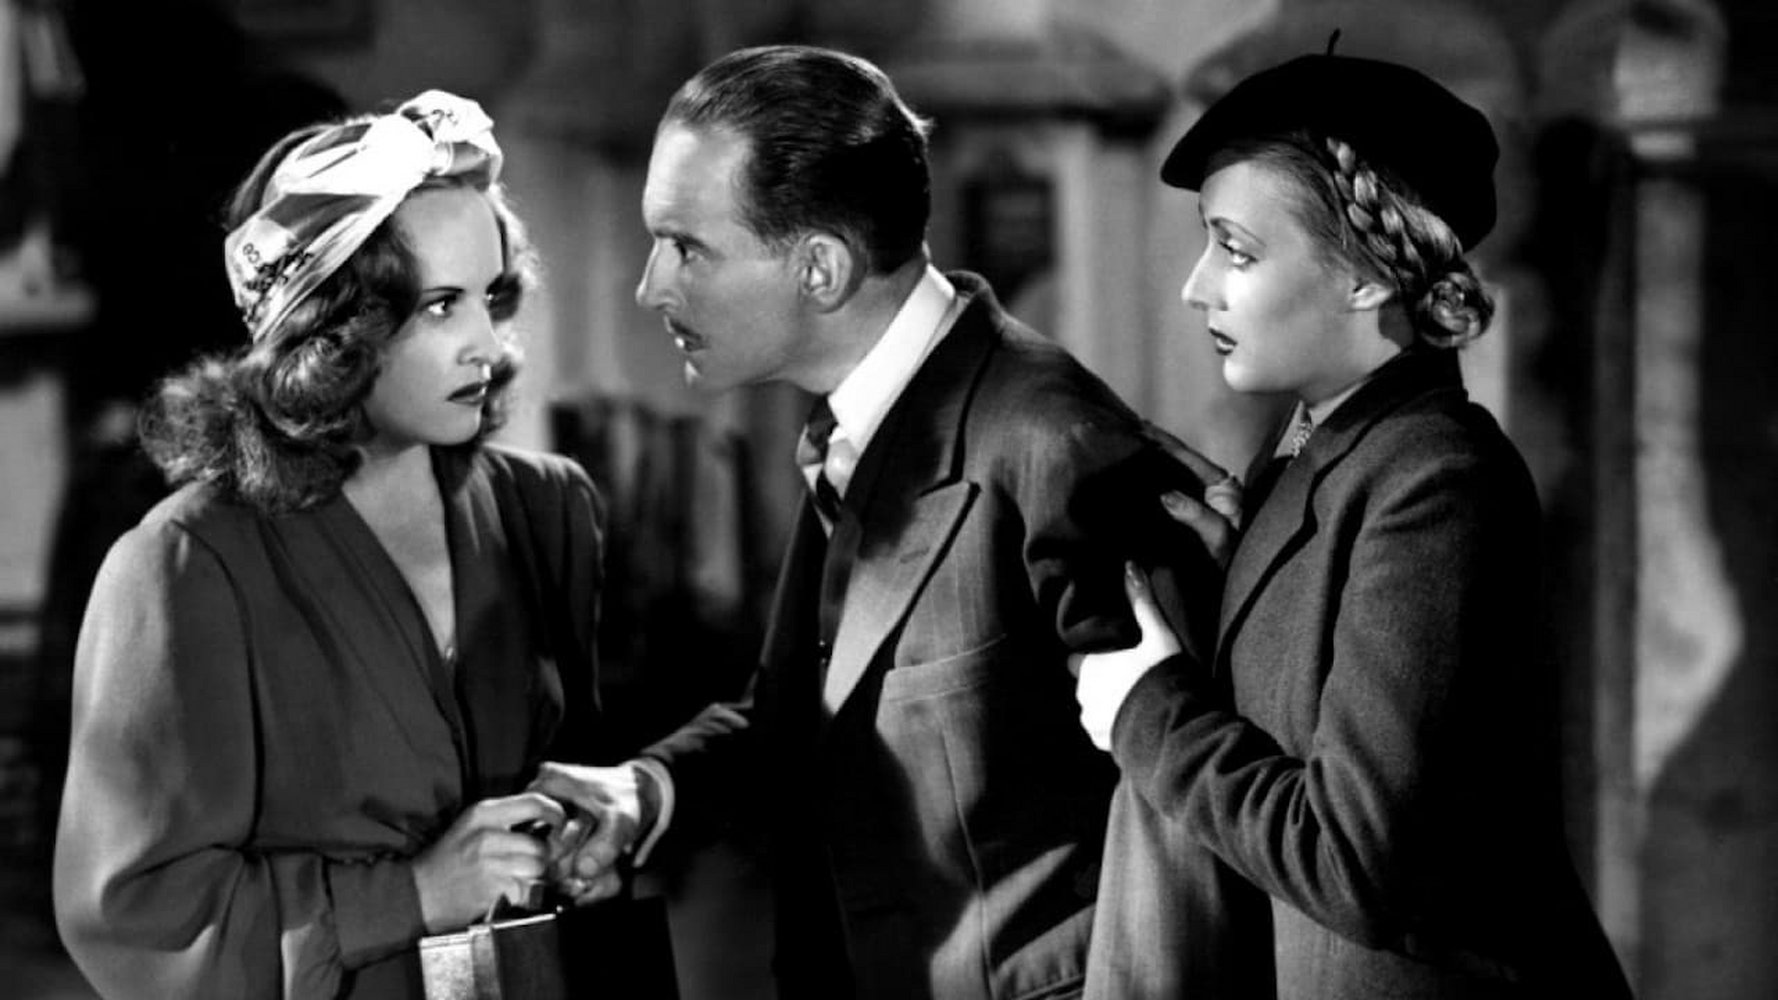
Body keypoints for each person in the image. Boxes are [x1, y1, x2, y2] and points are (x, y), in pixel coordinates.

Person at [530, 44, 1216, 1000]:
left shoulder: (1060, 450)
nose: (651, 286)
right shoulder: (856, 427)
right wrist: (648, 791)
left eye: (686, 247)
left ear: (819, 268)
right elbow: (809, 715)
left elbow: (1187, 833)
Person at [1072, 52, 1634, 998]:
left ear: (1367, 275)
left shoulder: (1438, 481)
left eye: (1237, 251)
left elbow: (1353, 862)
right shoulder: (1320, 452)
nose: (1198, 288)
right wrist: (1237, 581)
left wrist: (1148, 711)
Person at [53, 90, 609, 1000]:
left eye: (491, 297)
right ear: (332, 332)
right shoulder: (187, 565)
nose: (487, 345)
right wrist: (412, 894)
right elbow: (136, 917)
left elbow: (594, 774)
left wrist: (591, 838)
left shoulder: (549, 510)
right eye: (440, 307)